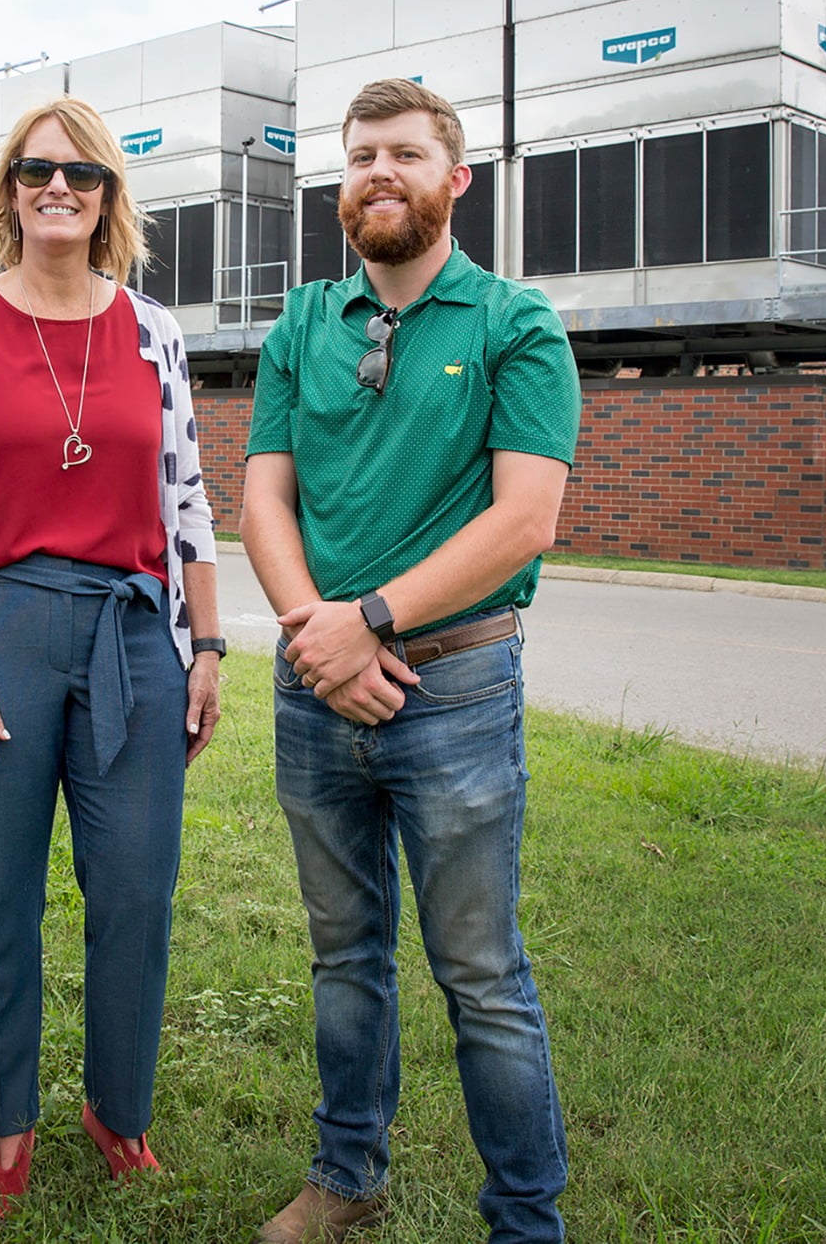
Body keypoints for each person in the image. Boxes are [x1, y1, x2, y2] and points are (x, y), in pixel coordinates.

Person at [241, 78, 581, 1244]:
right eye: (360, 156)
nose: (379, 172)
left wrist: (367, 618)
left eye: (405, 153)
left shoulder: (513, 324)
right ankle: (348, 1176)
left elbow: (524, 518)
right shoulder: (302, 323)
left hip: (458, 690)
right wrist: (315, 633)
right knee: (344, 955)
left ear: (455, 179)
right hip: (315, 686)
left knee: (481, 972)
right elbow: (264, 499)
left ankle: (525, 1221)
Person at [0, 95, 224, 1221]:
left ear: (109, 198)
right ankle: (9, 1125)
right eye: (37, 170)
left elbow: (187, 495)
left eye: (81, 175)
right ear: (10, 190)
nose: (58, 189)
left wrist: (209, 640)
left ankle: (116, 1108)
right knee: (2, 891)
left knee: (135, 885)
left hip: (137, 630)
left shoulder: (154, 331)